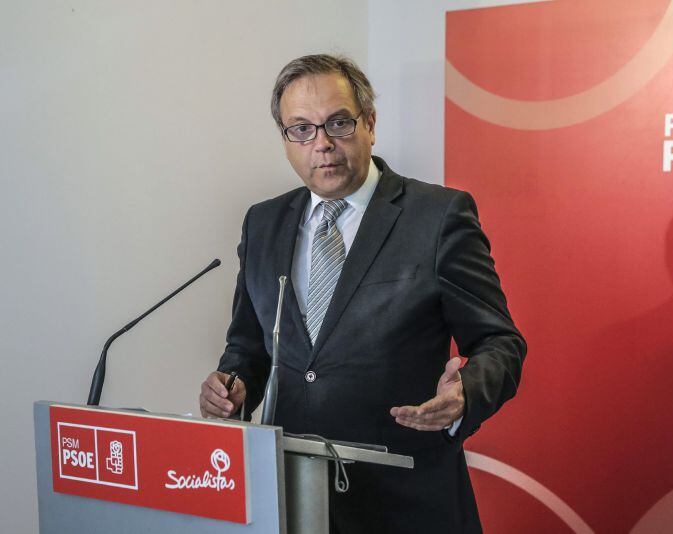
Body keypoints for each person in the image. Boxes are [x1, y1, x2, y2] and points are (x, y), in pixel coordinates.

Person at [199, 54, 526, 533]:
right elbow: (248, 344)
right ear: (286, 140)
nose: (323, 144)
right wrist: (231, 384)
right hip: (292, 496)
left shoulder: (436, 216)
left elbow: (501, 343)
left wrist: (465, 397)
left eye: (338, 123)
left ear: (369, 123)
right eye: (301, 129)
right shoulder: (263, 223)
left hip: (405, 500)